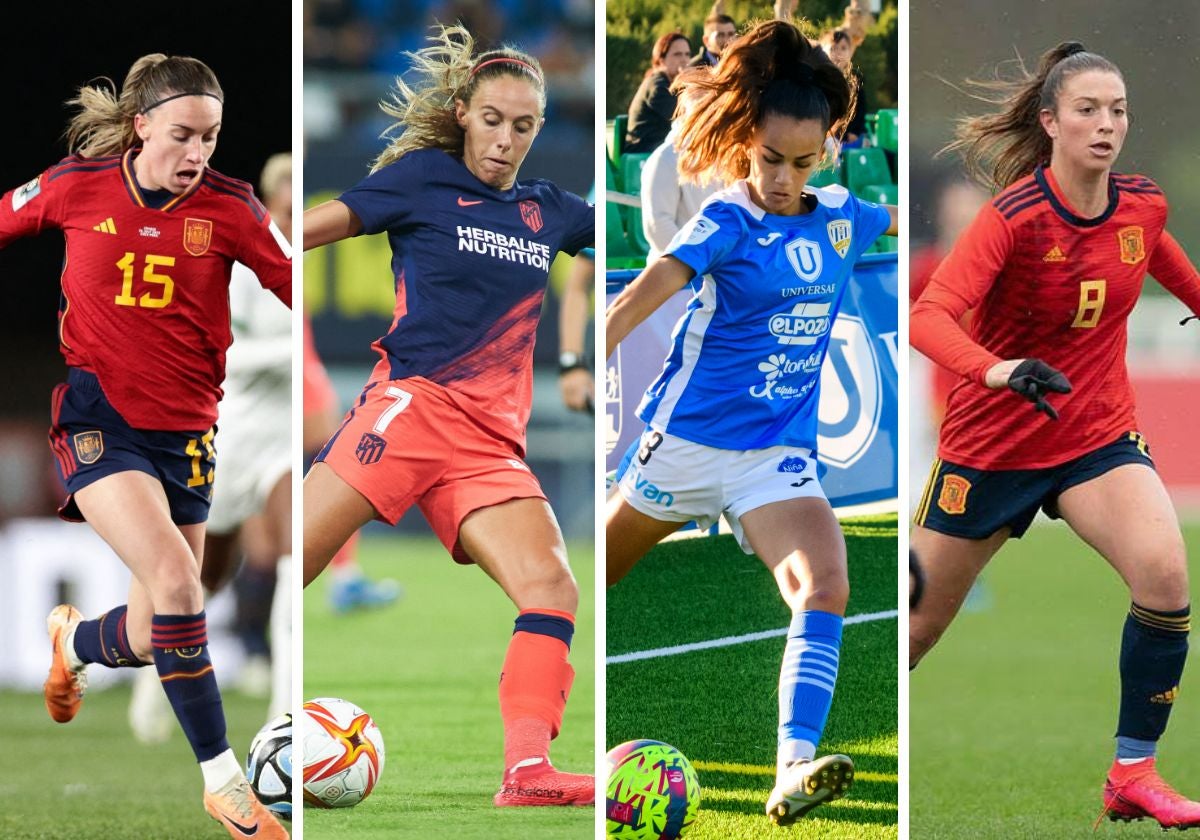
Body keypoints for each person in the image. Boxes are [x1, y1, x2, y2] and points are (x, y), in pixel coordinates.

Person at [605, 19, 897, 827]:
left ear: (828, 150)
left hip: (775, 458)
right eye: (770, 158)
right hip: (685, 446)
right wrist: (575, 357)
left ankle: (792, 770)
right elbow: (644, 292)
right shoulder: (725, 222)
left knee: (826, 584)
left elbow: (916, 229)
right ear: (746, 145)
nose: (781, 176)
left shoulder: (843, 215)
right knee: (588, 579)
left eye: (801, 162)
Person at [302, 24, 595, 807]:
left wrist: (575, 354)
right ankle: (116, 648)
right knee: (283, 565)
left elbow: (631, 239)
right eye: (493, 120)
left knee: (553, 589)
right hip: (411, 410)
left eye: (524, 126)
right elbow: (309, 231)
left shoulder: (552, 209)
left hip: (491, 445)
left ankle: (527, 773)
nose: (505, 140)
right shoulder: (422, 180)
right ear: (464, 112)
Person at [909, 41, 1200, 830]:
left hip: (1095, 438)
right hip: (991, 449)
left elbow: (1173, 273)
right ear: (1051, 122)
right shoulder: (1012, 219)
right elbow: (928, 317)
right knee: (914, 628)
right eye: (1087, 110)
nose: (1107, 125)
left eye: (1119, 110)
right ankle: (822, 739)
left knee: (1167, 579)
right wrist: (998, 371)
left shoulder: (1141, 206)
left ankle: (1133, 772)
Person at [5, 55, 291, 838]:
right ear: (140, 128)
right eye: (182, 135)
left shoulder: (233, 209)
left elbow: (299, 289)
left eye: (211, 137)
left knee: (147, 627)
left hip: (190, 437)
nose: (197, 152)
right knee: (178, 579)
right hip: (98, 420)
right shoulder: (76, 185)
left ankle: (75, 641)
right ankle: (225, 782)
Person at [128, 153, 294, 745]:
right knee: (204, 576)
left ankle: (284, 715)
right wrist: (290, 353)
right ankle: (153, 673)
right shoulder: (242, 265)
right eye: (292, 199)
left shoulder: (297, 267)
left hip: (282, 440)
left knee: (292, 558)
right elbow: (227, 357)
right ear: (274, 203)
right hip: (230, 433)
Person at [624, 32, 692, 154]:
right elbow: (684, 116)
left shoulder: (675, 83)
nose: (684, 60)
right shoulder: (656, 85)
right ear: (661, 61)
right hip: (643, 152)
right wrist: (692, 82)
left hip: (662, 149)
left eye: (687, 54)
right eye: (677, 54)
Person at [819, 29, 866, 147]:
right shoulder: (819, 80)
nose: (838, 53)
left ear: (850, 52)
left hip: (849, 135)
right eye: (833, 49)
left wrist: (855, 131)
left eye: (843, 48)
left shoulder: (854, 81)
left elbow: (860, 109)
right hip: (825, 135)